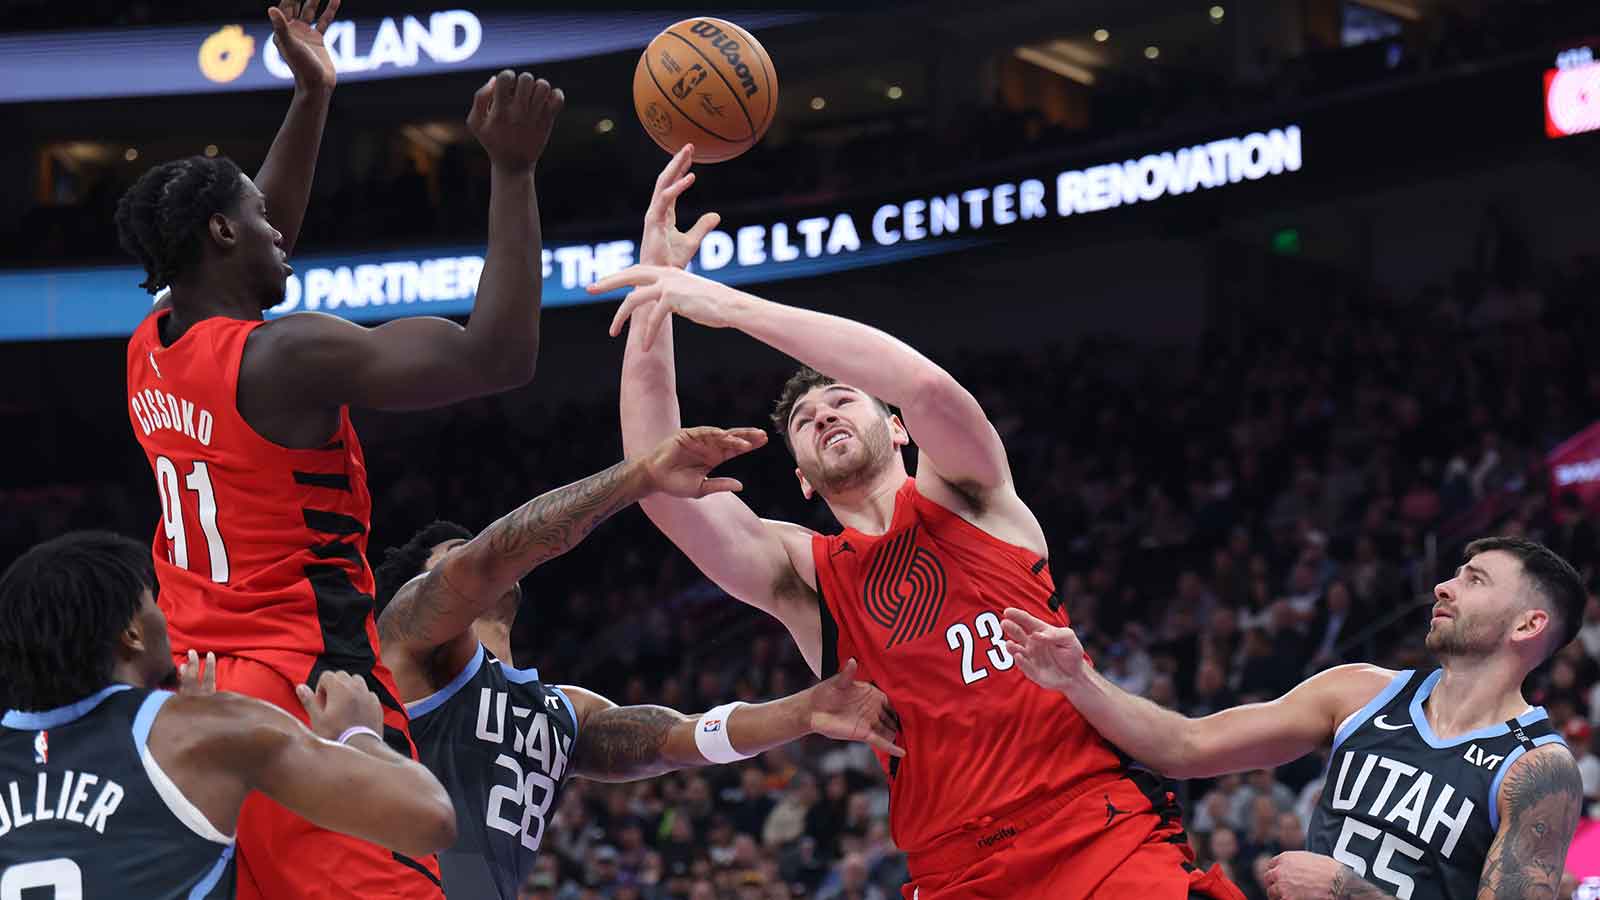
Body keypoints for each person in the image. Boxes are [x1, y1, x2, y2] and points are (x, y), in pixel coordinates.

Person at [595, 146, 1244, 900]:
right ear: (800, 477)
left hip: (1092, 830)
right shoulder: (804, 574)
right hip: (955, 870)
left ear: (896, 428)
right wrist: (654, 296)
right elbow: (656, 482)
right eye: (804, 419)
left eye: (841, 398)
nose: (823, 412)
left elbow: (924, 383)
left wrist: (730, 305)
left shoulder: (970, 493)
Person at [113, 1, 563, 894]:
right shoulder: (291, 356)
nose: (283, 228)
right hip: (310, 692)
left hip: (190, 695)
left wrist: (312, 94)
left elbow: (257, 238)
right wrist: (512, 172)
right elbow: (498, 356)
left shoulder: (152, 343)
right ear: (221, 233)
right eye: (258, 217)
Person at [369, 425, 905, 899]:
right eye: (450, 558)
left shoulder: (561, 714)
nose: (472, 559)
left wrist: (806, 710)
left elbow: (679, 738)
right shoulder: (410, 647)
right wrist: (640, 476)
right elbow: (490, 557)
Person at [1000, 537, 1586, 900]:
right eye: (1456, 573)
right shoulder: (1359, 692)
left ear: (1528, 625)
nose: (1444, 585)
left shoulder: (1538, 768)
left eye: (1474, 580)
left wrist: (1343, 889)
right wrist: (1079, 679)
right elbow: (1186, 744)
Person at [0, 532, 457, 897]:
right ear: (132, 634)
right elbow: (430, 819)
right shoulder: (201, 732)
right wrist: (358, 733)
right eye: (152, 600)